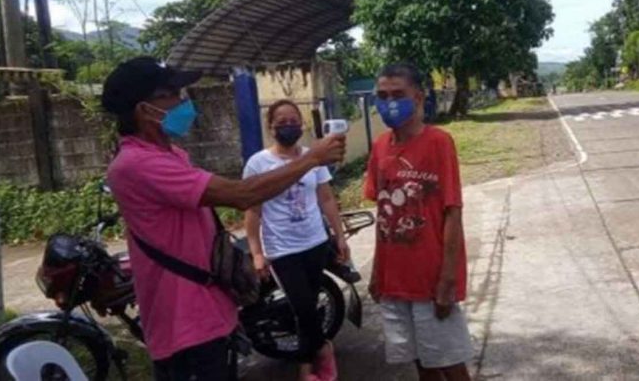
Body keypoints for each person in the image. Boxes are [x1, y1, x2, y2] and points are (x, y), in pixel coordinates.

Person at [101, 57, 346, 381]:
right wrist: (313, 157)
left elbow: (323, 196)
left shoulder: (172, 155)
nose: (182, 101)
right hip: (184, 325)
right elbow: (242, 196)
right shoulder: (137, 165)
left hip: (209, 309)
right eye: (172, 94)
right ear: (146, 109)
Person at [364, 63, 474, 381]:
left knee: (450, 362)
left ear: (418, 96)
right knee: (420, 361)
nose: (389, 101)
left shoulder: (439, 142)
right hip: (394, 280)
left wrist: (448, 279)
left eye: (398, 94)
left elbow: (452, 212)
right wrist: (376, 273)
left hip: (430, 278)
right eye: (382, 96)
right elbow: (383, 216)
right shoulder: (380, 146)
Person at [243, 99, 349, 381]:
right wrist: (256, 252)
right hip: (282, 249)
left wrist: (339, 236)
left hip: (315, 243)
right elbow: (252, 210)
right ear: (270, 126)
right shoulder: (258, 163)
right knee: (302, 307)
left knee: (309, 307)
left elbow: (326, 198)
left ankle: (310, 362)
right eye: (282, 122)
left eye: (294, 121)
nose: (289, 126)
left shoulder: (315, 157)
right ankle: (318, 355)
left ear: (302, 124)